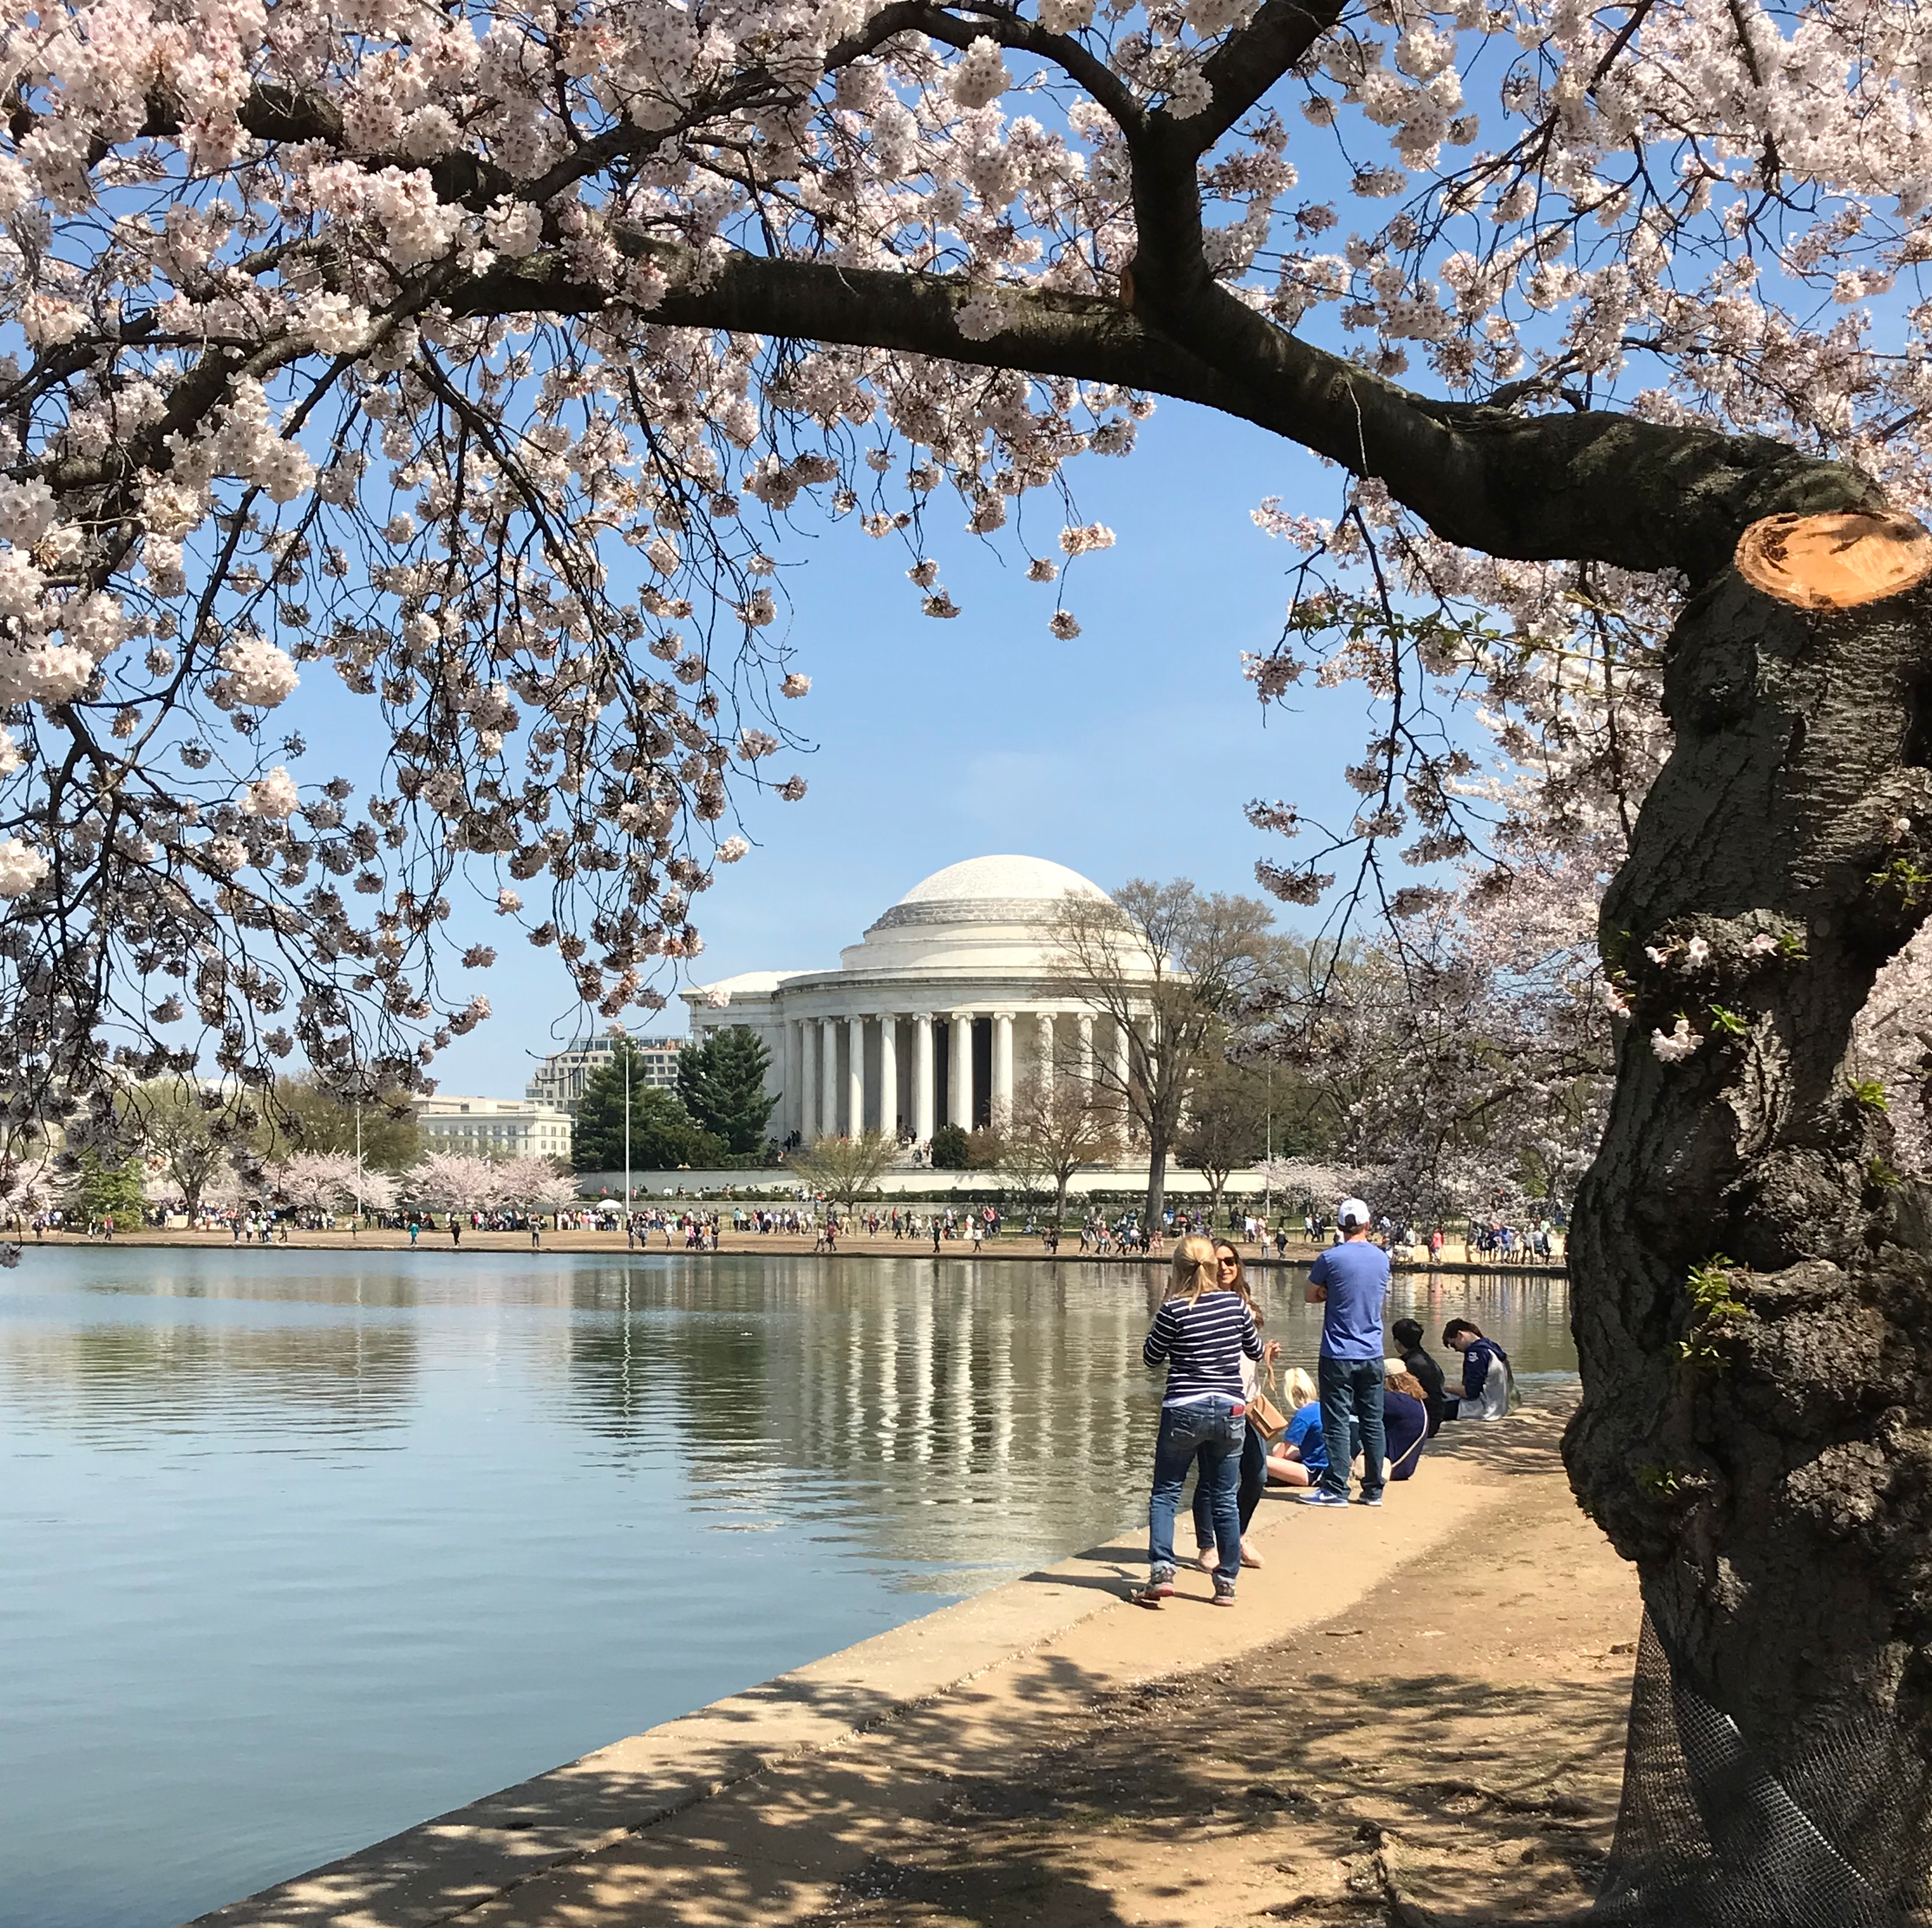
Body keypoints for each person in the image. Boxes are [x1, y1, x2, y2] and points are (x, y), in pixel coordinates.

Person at [1133, 1233, 1262, 1608]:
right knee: (1224, 1496)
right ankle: (1226, 1582)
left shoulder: (1173, 1310)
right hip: (1229, 1406)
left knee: (1166, 1492)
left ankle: (1161, 1570)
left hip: (1184, 1405)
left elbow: (1151, 1357)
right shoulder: (1235, 1306)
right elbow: (1253, 1349)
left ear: (1178, 1269)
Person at [1190, 1243, 1281, 1572]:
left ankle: (1237, 1536)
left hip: (1250, 1404)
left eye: (1231, 1261)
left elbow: (1249, 1354)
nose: (1226, 1267)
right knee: (1211, 1479)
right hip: (1214, 1402)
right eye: (1219, 1262)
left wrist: (1266, 1355)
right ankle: (1207, 1545)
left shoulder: (1248, 1306)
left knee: (1256, 1474)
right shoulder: (1197, 1304)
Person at [1301, 1196, 1391, 1508]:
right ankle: (1374, 1489)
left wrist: (1328, 1291)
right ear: (1368, 1225)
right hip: (1372, 1350)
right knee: (1373, 1421)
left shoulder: (1330, 1258)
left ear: (1340, 1226)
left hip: (1338, 1351)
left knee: (1337, 1420)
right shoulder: (1382, 1259)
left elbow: (1310, 1295)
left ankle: (1336, 1487)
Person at [1443, 1318, 1515, 1419]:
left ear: (1460, 1335)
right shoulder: (1490, 1346)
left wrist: (1445, 1388)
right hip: (1499, 1407)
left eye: (1453, 1344)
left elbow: (1470, 1392)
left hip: (1483, 1409)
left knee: (1433, 1408)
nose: (1456, 1350)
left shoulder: (1476, 1353)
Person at [1391, 1317, 1451, 1435]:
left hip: (1423, 1424)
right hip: (1434, 1419)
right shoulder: (1426, 1360)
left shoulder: (1410, 1365)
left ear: (1397, 1342)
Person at [1266, 1367, 1322, 1488]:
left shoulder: (1303, 1415)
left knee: (1262, 1460)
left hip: (1314, 1474)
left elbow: (1283, 1450)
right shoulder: (1320, 1407)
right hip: (1327, 1468)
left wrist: (1274, 1469)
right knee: (1277, 1447)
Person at [1381, 1364, 1430, 1479]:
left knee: (1350, 1421)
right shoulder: (1412, 1399)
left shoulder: (1392, 1400)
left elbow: (1351, 1407)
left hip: (1391, 1468)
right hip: (1405, 1467)